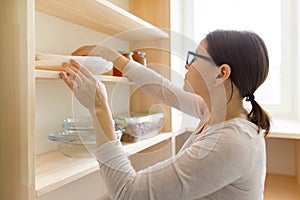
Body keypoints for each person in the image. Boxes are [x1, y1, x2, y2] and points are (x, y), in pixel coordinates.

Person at [60, 29, 271, 200]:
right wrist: (114, 57)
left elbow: (128, 194)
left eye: (195, 58)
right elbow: (164, 89)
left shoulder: (230, 142)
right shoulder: (217, 111)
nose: (186, 64)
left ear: (221, 73)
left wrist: (99, 108)